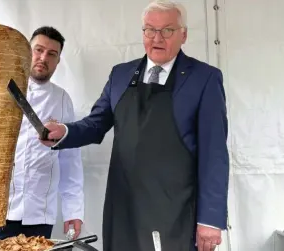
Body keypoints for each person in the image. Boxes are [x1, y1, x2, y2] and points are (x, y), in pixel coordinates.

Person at [41, 1, 230, 251]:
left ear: (183, 34)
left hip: (175, 210)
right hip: (124, 208)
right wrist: (64, 132)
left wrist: (210, 219)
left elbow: (214, 153)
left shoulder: (204, 78)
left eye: (167, 30)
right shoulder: (120, 74)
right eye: (150, 30)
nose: (157, 38)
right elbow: (96, 123)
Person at [0, 26, 84, 242]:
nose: (43, 58)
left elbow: (71, 162)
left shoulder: (62, 100)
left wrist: (73, 211)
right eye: (38, 50)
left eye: (52, 54)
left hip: (38, 214)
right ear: (26, 51)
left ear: (58, 61)